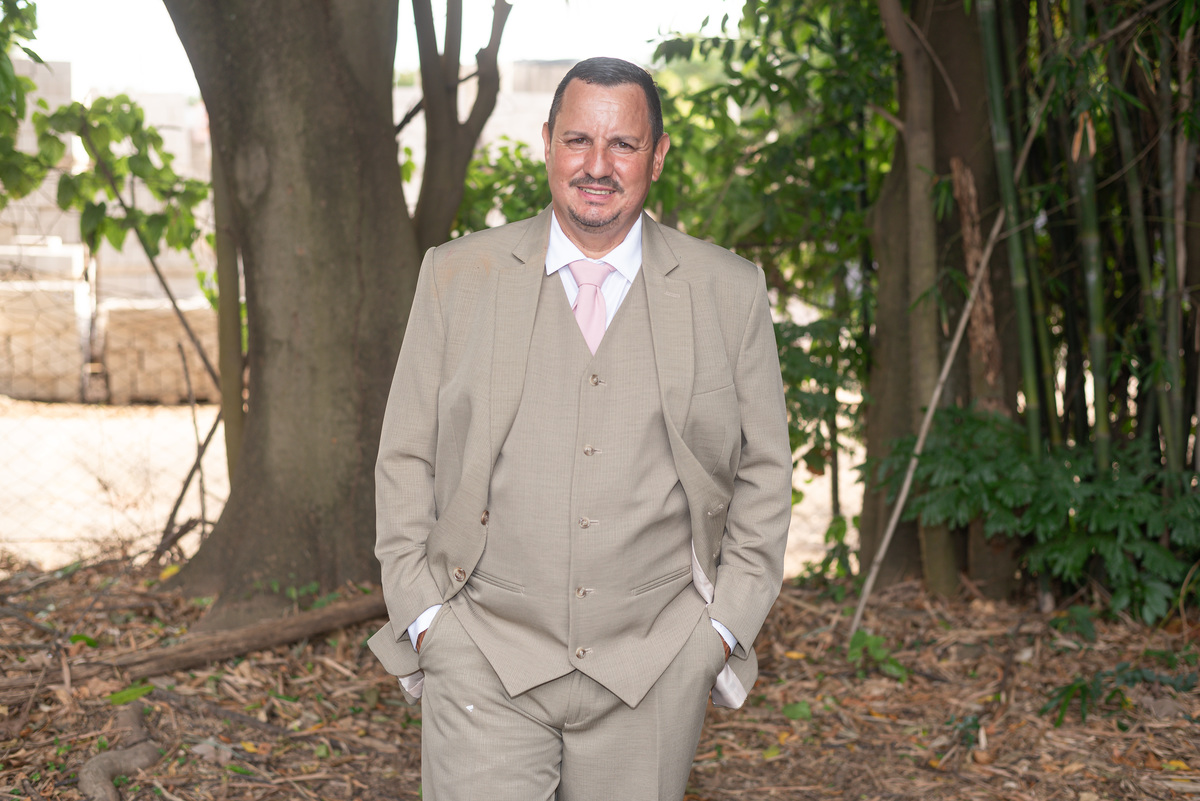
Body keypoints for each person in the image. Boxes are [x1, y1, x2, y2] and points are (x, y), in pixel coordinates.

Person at [369, 56, 792, 801]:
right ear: (547, 143)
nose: (597, 166)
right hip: (483, 655)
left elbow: (764, 471)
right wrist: (427, 616)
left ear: (657, 155)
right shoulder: (456, 276)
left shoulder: (727, 290)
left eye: (623, 144)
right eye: (577, 140)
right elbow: (405, 454)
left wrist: (720, 631)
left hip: (654, 666)